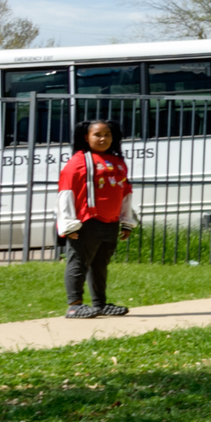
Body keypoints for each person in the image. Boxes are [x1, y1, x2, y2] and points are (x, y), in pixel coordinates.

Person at [57, 118, 135, 319]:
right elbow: (66, 193)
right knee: (78, 263)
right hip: (86, 221)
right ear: (86, 137)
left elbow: (125, 193)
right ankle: (74, 305)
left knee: (100, 265)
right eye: (97, 135)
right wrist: (68, 224)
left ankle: (100, 304)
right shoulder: (78, 162)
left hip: (110, 221)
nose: (103, 138)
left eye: (107, 135)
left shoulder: (117, 162)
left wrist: (127, 221)